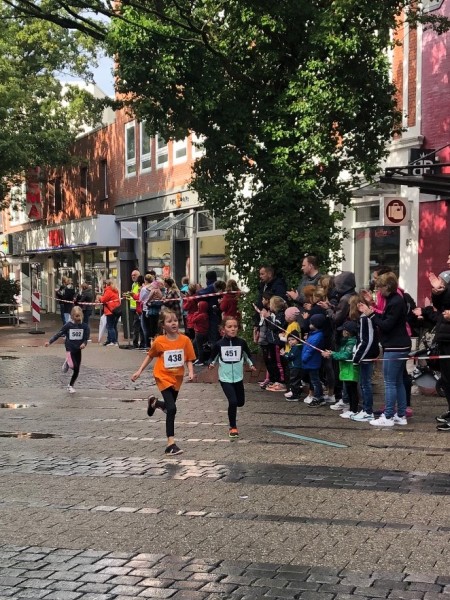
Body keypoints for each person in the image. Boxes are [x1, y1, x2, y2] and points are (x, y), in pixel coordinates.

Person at [131, 308, 196, 455]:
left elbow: (189, 358)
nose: (174, 323)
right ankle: (170, 444)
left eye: (175, 320)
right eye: (169, 321)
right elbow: (150, 356)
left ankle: (155, 403)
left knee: (168, 406)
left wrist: (191, 372)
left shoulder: (185, 340)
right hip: (162, 376)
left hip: (177, 378)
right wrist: (139, 371)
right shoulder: (159, 341)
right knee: (172, 409)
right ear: (163, 325)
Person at [358, 272, 411, 427]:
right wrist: (373, 310)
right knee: (398, 381)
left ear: (387, 286)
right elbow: (386, 318)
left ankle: (388, 416)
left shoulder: (395, 302)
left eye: (380, 287)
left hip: (395, 346)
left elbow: (386, 325)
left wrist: (370, 315)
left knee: (389, 382)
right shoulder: (394, 300)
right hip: (400, 345)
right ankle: (401, 414)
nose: (379, 291)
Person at [208, 316, 256, 438]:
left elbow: (248, 355)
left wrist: (252, 364)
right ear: (223, 329)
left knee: (240, 402)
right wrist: (211, 364)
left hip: (238, 378)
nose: (233, 329)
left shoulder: (241, 343)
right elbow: (213, 357)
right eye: (229, 327)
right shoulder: (219, 344)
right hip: (225, 378)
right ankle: (233, 427)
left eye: (235, 326)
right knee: (233, 401)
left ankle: (234, 413)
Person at [420, 259, 450, 431]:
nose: (447, 261)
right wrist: (437, 292)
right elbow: (441, 306)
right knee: (446, 379)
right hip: (445, 337)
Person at [45, 305, 90, 394]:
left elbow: (86, 338)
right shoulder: (68, 325)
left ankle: (70, 386)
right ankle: (68, 363)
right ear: (72, 316)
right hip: (70, 348)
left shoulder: (85, 326)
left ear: (82, 315)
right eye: (76, 316)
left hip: (78, 349)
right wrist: (49, 342)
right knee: (74, 366)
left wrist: (84, 344)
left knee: (77, 369)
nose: (78, 318)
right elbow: (58, 334)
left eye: (79, 316)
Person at [350, 294, 380, 421]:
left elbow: (366, 340)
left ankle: (368, 411)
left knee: (365, 384)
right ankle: (366, 409)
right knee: (364, 383)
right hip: (367, 355)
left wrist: (357, 357)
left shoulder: (364, 319)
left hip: (366, 356)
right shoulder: (366, 318)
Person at [323, 321, 360, 418]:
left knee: (352, 391)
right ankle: (351, 409)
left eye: (343, 330)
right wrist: (333, 353)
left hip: (350, 370)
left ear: (347, 332)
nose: (342, 332)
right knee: (349, 390)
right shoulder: (347, 341)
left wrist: (332, 354)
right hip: (346, 370)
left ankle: (353, 410)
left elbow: (345, 355)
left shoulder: (351, 342)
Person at [253, 265, 287, 342]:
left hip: (273, 320)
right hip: (263, 320)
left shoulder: (278, 286)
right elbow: (259, 304)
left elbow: (280, 303)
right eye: (260, 274)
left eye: (262, 274)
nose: (260, 276)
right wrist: (256, 324)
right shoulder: (262, 285)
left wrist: (269, 314)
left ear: (270, 274)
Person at [301, 313, 326, 406]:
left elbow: (310, 349)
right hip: (311, 361)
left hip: (312, 361)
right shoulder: (313, 334)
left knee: (315, 381)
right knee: (314, 380)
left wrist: (304, 358)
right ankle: (319, 396)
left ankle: (318, 397)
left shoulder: (317, 336)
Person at [198, 270, 221, 345]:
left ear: (207, 278)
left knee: (213, 335)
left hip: (212, 313)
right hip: (217, 312)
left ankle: (214, 350)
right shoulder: (218, 285)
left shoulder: (212, 286)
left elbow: (200, 294)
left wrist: (198, 291)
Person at [98, 279, 121, 347]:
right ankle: (112, 340)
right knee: (114, 326)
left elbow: (103, 300)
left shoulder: (108, 290)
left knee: (110, 326)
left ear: (106, 284)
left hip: (110, 311)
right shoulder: (115, 290)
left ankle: (113, 341)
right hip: (116, 310)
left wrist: (100, 297)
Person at [281, 332, 303, 402]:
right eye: (289, 340)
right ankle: (297, 393)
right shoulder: (297, 347)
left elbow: (290, 357)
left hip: (295, 366)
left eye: (293, 339)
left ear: (298, 340)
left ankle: (295, 395)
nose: (291, 342)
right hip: (297, 366)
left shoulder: (296, 348)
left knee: (294, 381)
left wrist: (284, 354)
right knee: (296, 381)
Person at [127, 269, 145, 348]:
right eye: (132, 275)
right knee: (136, 326)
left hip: (139, 308)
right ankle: (138, 343)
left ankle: (140, 343)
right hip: (133, 307)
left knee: (138, 326)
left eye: (135, 275)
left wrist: (132, 295)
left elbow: (139, 296)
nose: (133, 276)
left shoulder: (141, 285)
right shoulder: (133, 284)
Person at [145, 280, 164, 345]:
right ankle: (158, 341)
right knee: (157, 328)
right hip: (158, 311)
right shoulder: (159, 291)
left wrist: (147, 303)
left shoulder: (153, 291)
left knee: (152, 328)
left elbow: (148, 298)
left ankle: (153, 343)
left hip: (152, 312)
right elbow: (161, 299)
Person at [192, 300, 209, 366]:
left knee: (199, 347)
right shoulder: (205, 314)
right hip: (203, 332)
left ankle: (201, 360)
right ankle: (198, 358)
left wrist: (196, 313)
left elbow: (193, 320)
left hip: (199, 333)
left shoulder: (201, 315)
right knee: (194, 344)